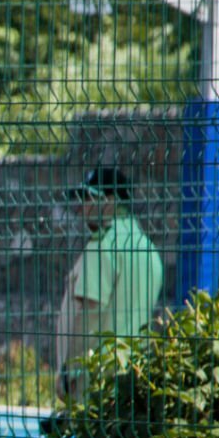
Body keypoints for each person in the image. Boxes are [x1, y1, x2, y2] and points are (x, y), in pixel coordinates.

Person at [54, 167, 164, 401]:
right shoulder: (147, 249)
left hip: (95, 379)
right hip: (132, 375)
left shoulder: (103, 246)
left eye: (88, 198)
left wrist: (69, 370)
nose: (81, 207)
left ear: (110, 200)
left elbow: (88, 314)